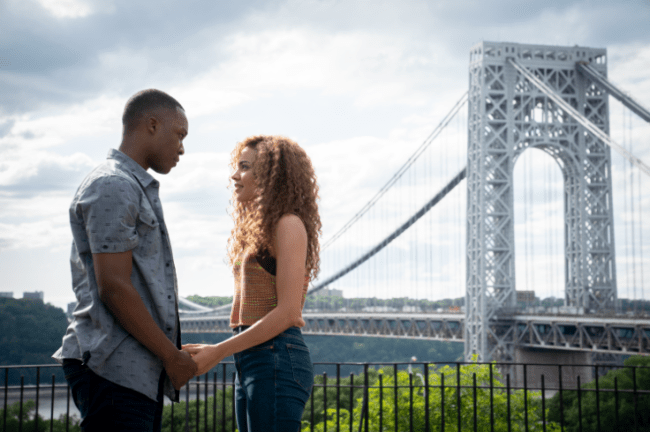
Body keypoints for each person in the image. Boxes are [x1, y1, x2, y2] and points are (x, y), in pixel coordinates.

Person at [52, 89, 197, 431]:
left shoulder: (129, 185)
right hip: (113, 367)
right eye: (179, 134)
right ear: (151, 125)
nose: (182, 148)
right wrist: (172, 357)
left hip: (133, 369)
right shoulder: (113, 185)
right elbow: (114, 288)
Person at [183, 135, 321, 432]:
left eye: (244, 167)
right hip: (252, 358)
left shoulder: (289, 225)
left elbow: (288, 313)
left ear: (271, 175)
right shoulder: (259, 231)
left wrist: (218, 351)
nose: (234, 175)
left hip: (276, 357)